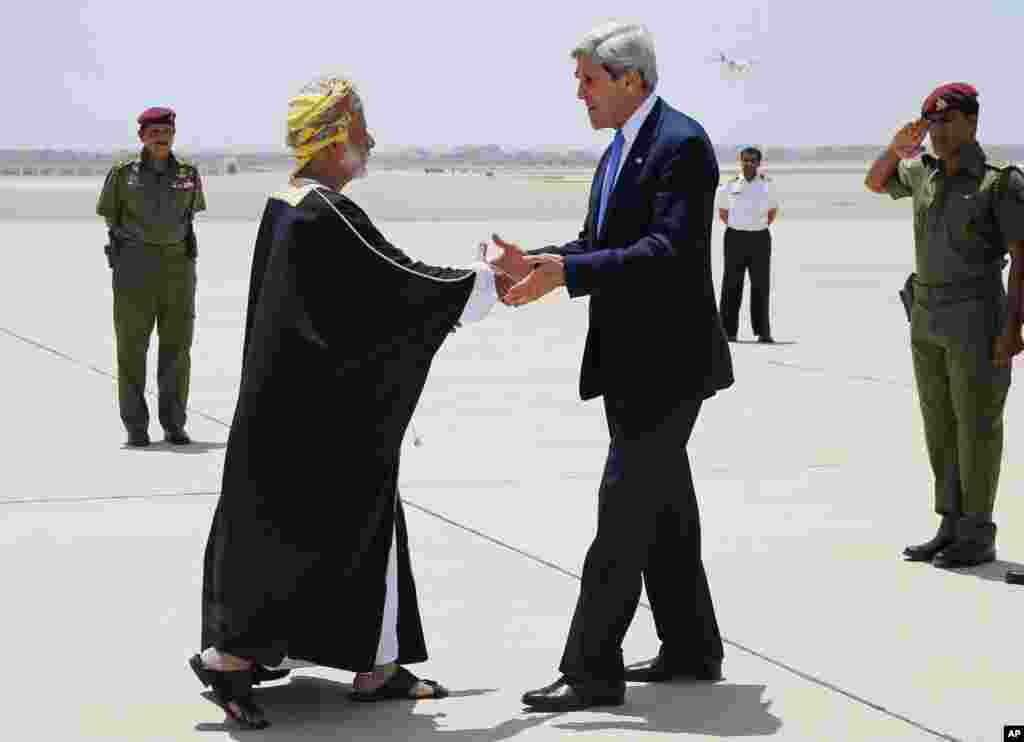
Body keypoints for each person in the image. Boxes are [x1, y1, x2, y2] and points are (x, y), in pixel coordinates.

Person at [189, 75, 523, 729]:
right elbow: (397, 282)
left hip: (294, 407)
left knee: (348, 528)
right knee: (296, 536)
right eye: (360, 130)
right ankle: (231, 662)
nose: (369, 142)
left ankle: (375, 664)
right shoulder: (322, 210)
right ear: (335, 140)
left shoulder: (287, 200)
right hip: (313, 419)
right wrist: (487, 279)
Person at [493, 21, 734, 711]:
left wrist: (567, 273)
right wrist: (538, 263)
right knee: (663, 512)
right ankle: (692, 647)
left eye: (588, 82)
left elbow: (669, 250)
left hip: (670, 367)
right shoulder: (618, 151)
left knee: (622, 515)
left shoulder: (681, 145)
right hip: (629, 364)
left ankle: (591, 667)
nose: (581, 96)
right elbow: (601, 243)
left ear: (631, 79)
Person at [865, 83, 1024, 569]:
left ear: (972, 123)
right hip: (927, 316)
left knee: (977, 427)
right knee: (940, 426)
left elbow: (1022, 260)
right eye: (931, 123)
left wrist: (1013, 330)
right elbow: (875, 182)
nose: (937, 131)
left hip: (977, 316)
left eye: (947, 121)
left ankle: (978, 532)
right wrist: (897, 147)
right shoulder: (923, 173)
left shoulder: (1000, 182)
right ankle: (950, 523)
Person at [96, 107, 204, 447]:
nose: (162, 138)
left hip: (178, 272)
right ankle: (136, 427)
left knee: (177, 350)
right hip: (134, 272)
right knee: (131, 349)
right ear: (142, 136)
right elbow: (109, 215)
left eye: (167, 132)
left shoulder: (188, 172)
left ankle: (174, 424)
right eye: (155, 132)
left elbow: (190, 217)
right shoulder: (122, 173)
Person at [717, 146, 779, 343]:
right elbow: (724, 213)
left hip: (759, 238)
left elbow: (771, 213)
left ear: (759, 163)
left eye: (753, 160)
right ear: (740, 161)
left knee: (761, 285)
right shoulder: (730, 184)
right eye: (745, 160)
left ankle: (763, 332)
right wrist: (740, 227)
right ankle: (728, 331)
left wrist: (755, 227)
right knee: (731, 284)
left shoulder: (768, 185)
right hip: (735, 238)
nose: (749, 164)